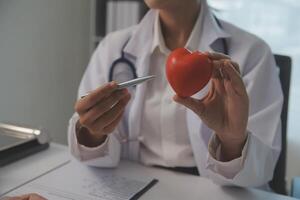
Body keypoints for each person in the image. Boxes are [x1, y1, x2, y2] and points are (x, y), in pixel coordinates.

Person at [68, 0, 282, 188]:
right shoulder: (112, 48)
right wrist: (93, 132)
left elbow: (260, 173)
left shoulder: (252, 53)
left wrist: (232, 141)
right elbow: (91, 157)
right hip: (134, 186)